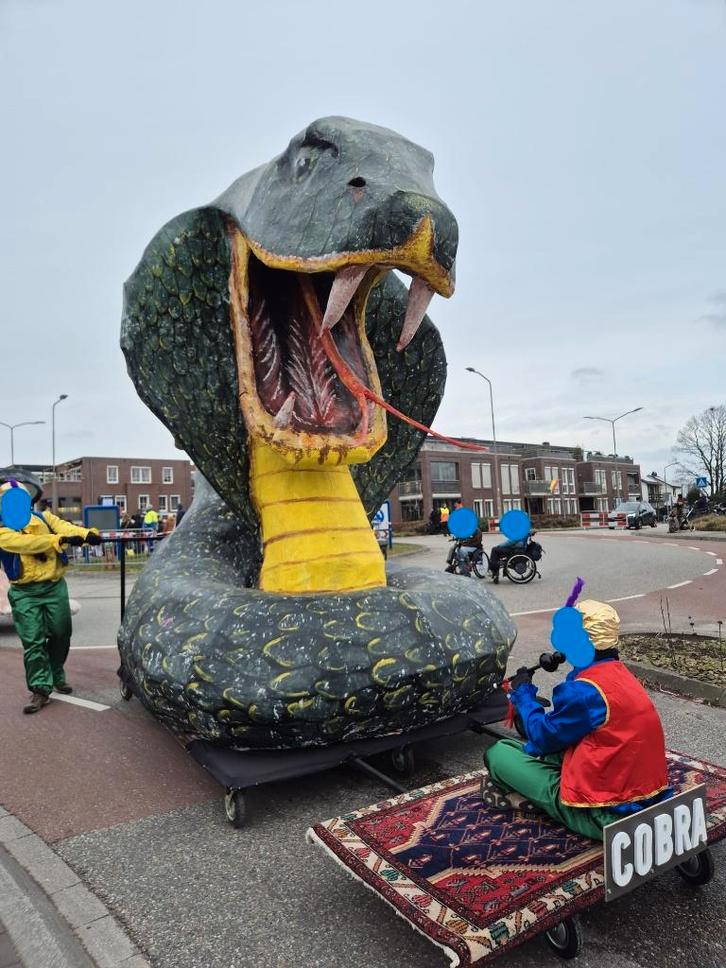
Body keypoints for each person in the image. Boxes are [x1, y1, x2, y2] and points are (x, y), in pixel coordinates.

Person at [483, 599, 670, 841]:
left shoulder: (582, 692)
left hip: (608, 805)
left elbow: (542, 738)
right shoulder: (619, 673)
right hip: (641, 784)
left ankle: (582, 815)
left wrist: (524, 697)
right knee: (522, 749)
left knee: (499, 752)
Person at [0, 481, 102, 713]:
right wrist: (58, 540)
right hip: (24, 592)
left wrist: (87, 534)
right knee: (33, 640)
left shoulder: (45, 518)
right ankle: (40, 688)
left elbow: (66, 527)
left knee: (61, 632)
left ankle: (56, 673)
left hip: (54, 586)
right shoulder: (3, 529)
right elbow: (26, 543)